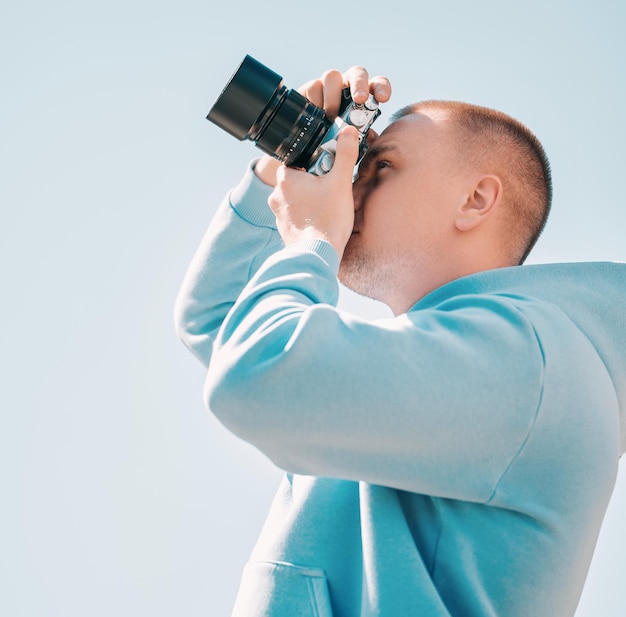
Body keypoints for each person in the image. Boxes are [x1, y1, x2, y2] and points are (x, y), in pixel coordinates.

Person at [174, 65, 626, 616]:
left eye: (381, 166)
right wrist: (280, 168)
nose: (351, 186)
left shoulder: (532, 357)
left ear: (476, 200)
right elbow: (220, 320)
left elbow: (256, 376)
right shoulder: (450, 354)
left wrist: (313, 235)